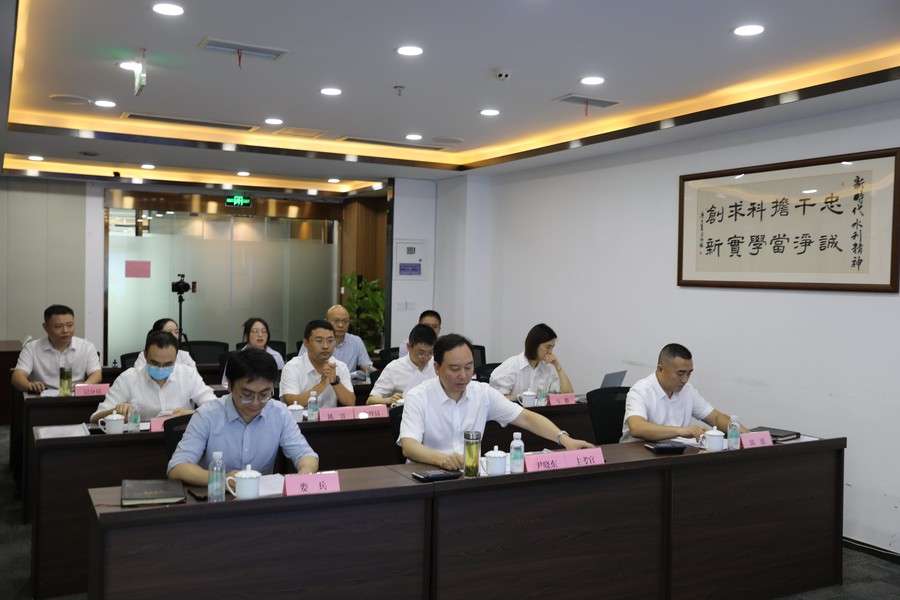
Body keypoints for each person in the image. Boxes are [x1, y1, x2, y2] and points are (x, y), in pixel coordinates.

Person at [399, 334, 593, 470]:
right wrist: (442, 459)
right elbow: (409, 446)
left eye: (468, 367)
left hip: (469, 476)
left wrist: (565, 440)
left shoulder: (482, 393)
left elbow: (526, 418)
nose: (463, 375)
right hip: (426, 476)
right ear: (437, 368)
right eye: (455, 369)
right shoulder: (418, 396)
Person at [167, 349, 318, 484]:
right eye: (246, 395)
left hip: (262, 499)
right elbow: (177, 467)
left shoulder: (280, 413)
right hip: (216, 497)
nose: (256, 402)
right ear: (230, 386)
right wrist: (223, 479)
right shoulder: (207, 415)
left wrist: (305, 472)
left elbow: (306, 455)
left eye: (264, 394)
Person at [621, 343, 750, 443]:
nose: (685, 380)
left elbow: (716, 417)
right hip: (639, 456)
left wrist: (747, 435)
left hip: (676, 454)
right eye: (680, 373)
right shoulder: (640, 391)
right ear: (660, 369)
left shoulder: (688, 391)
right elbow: (637, 427)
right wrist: (681, 431)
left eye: (689, 373)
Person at [91, 331, 216, 423]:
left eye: (168, 364)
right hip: (142, 442)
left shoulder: (188, 375)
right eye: (155, 363)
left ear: (176, 357)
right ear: (145, 355)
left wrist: (191, 413)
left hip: (183, 438)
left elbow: (215, 408)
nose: (161, 368)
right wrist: (115, 411)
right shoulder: (128, 378)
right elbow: (95, 417)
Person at [11, 304, 102, 394]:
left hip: (75, 396)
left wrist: (84, 386)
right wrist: (30, 385)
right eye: (59, 326)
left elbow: (96, 374)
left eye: (70, 325)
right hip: (42, 397)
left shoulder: (86, 347)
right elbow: (17, 376)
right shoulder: (32, 348)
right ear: (45, 327)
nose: (65, 330)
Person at [281, 320, 355, 408]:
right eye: (319, 341)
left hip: (329, 417)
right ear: (306, 343)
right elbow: (291, 402)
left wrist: (335, 381)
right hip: (300, 417)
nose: (325, 346)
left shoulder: (340, 367)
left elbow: (351, 402)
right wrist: (322, 385)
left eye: (330, 341)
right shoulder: (292, 367)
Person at [489, 323, 573, 398]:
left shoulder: (548, 368)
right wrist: (524, 398)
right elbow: (496, 398)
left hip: (540, 410)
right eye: (548, 347)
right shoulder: (511, 365)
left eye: (552, 347)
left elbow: (568, 395)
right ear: (535, 345)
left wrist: (557, 366)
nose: (550, 352)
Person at [367, 324, 438, 405]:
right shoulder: (394, 368)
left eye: (430, 353)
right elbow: (370, 400)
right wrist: (389, 400)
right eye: (421, 353)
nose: (426, 357)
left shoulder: (437, 365)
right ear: (409, 347)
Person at [299, 305, 374, 377]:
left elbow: (367, 367)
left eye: (345, 321)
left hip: (347, 382)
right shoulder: (312, 341)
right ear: (326, 322)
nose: (341, 325)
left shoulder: (356, 341)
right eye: (336, 321)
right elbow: (301, 367)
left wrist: (377, 375)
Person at [221, 317, 285, 385]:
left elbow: (282, 383)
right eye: (255, 331)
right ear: (246, 336)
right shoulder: (236, 358)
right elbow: (225, 384)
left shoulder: (276, 356)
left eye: (263, 331)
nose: (260, 335)